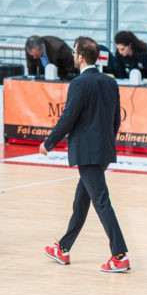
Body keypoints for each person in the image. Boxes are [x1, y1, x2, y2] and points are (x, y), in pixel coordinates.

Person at [41, 37, 129, 272]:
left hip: (87, 153)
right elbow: (116, 119)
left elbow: (68, 118)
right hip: (103, 150)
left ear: (80, 57)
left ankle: (120, 255)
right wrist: (107, 143)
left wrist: (49, 143)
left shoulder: (79, 84)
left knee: (101, 201)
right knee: (81, 201)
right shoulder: (110, 82)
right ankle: (63, 248)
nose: (72, 55)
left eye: (74, 52)